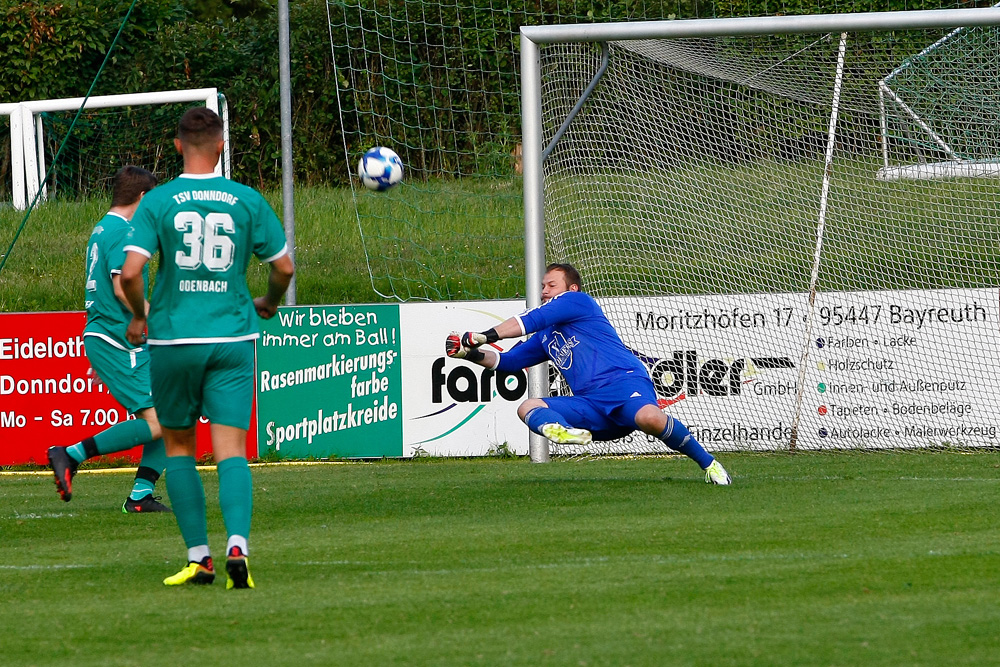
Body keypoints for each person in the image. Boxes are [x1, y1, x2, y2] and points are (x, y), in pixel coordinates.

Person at [120, 107, 294, 589]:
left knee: (178, 447)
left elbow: (131, 273)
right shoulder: (245, 199)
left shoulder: (158, 201)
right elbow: (283, 268)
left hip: (175, 338)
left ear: (177, 146)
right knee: (231, 450)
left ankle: (200, 557)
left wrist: (140, 314)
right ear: (221, 146)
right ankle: (237, 544)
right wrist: (269, 302)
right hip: (233, 339)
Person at [446, 263, 732, 484]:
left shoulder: (578, 301)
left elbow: (530, 320)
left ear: (570, 289)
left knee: (650, 418)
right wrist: (468, 353)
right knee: (527, 406)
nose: (544, 290)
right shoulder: (546, 336)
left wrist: (483, 335)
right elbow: (507, 362)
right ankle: (560, 431)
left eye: (551, 285)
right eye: (543, 285)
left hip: (624, 384)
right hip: (590, 404)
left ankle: (709, 464)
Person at [47, 165, 173, 513]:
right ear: (144, 197)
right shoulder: (125, 231)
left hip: (113, 337)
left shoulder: (103, 228)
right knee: (161, 421)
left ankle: (140, 496)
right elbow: (121, 285)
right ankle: (71, 454)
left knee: (173, 416)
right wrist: (149, 317)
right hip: (118, 336)